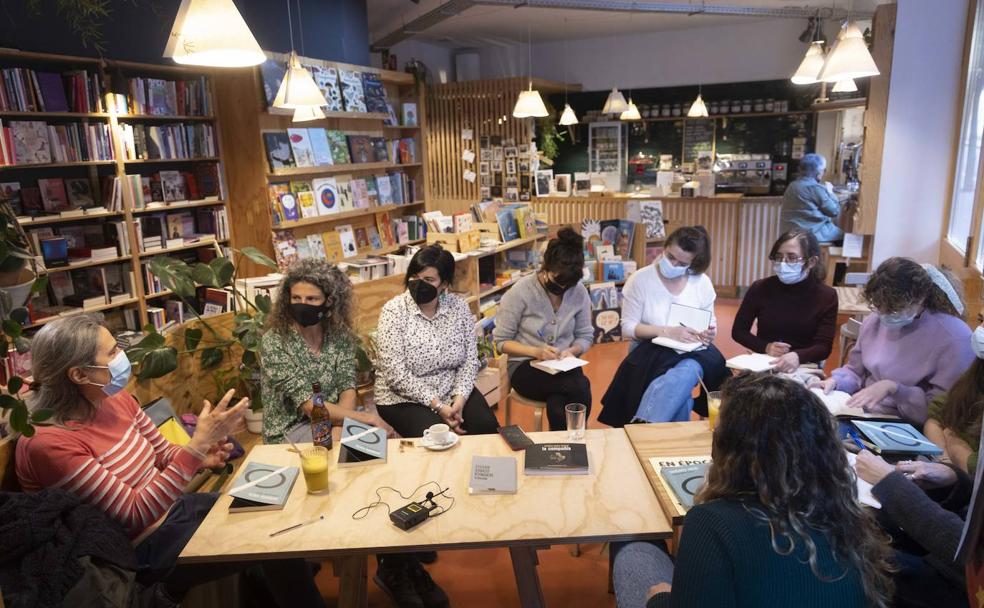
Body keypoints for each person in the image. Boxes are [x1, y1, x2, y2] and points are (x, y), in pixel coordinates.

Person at [15, 315, 325, 607]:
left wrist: (199, 454)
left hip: (175, 511)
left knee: (274, 513)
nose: (123, 357)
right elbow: (134, 515)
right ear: (79, 374)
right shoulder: (49, 444)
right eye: (112, 352)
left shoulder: (114, 397)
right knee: (272, 541)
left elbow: (164, 454)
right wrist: (195, 450)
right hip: (138, 552)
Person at [613, 373, 895, 608]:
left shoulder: (711, 521)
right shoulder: (848, 516)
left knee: (633, 550)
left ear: (729, 450)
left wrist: (660, 598)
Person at [372, 244, 499, 608]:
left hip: (451, 390)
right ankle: (421, 528)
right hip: (405, 396)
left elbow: (469, 360)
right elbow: (395, 374)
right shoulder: (394, 310)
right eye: (415, 276)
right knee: (436, 443)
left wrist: (459, 400)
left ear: (444, 284)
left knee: (487, 429)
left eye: (428, 279)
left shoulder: (458, 308)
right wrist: (440, 408)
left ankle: (474, 510)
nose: (419, 284)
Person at [811, 258, 975, 425]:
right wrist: (836, 381)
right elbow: (855, 370)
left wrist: (895, 389)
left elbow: (940, 411)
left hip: (909, 424)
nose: (883, 314)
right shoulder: (875, 321)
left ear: (920, 300)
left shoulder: (954, 338)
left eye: (893, 309)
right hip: (862, 412)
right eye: (878, 306)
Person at [599, 226, 729, 426]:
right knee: (683, 394)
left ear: (693, 263)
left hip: (692, 351)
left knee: (688, 368)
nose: (674, 264)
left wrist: (709, 333)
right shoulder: (640, 280)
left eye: (682, 263)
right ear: (664, 247)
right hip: (648, 351)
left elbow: (711, 323)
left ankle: (643, 427)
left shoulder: (701, 282)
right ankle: (664, 444)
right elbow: (628, 328)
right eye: (670, 257)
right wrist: (668, 332)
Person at [260, 258, 394, 444]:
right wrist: (367, 418)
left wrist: (340, 426)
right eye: (296, 298)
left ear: (329, 301)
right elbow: (309, 406)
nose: (302, 304)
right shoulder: (275, 342)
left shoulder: (340, 335)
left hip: (334, 417)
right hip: (292, 428)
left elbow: (347, 388)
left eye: (312, 299)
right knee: (365, 435)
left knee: (381, 439)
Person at [855, 431, 977, 607]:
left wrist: (890, 483)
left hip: (964, 584)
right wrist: (954, 480)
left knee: (850, 553)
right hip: (949, 559)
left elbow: (968, 550)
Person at [493, 227, 594, 430]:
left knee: (558, 404)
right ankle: (576, 442)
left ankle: (558, 450)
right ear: (545, 267)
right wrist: (536, 351)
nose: (563, 289)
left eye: (569, 285)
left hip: (564, 366)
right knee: (579, 386)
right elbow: (501, 342)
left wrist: (571, 351)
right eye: (558, 281)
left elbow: (585, 335)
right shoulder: (520, 292)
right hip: (525, 367)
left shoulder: (579, 291)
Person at [732, 229, 838, 372]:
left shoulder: (826, 296)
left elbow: (823, 346)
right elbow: (739, 331)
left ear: (811, 262)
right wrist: (766, 347)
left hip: (803, 366)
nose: (783, 263)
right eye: (778, 257)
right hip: (765, 362)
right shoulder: (760, 288)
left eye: (792, 257)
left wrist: (797, 356)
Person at [923, 307, 984, 473]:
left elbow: (976, 467)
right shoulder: (979, 367)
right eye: (980, 320)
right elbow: (935, 416)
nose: (980, 330)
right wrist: (945, 461)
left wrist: (952, 439)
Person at [780, 152, 844, 243]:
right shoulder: (814, 188)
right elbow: (834, 211)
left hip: (790, 233)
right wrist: (830, 192)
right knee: (846, 238)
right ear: (819, 172)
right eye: (824, 170)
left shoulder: (792, 185)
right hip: (811, 234)